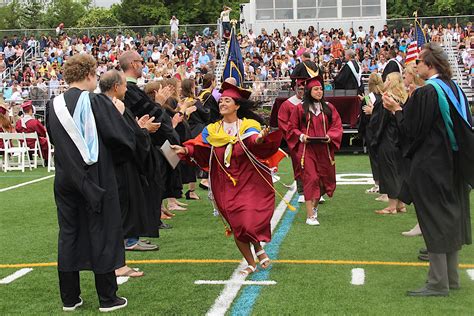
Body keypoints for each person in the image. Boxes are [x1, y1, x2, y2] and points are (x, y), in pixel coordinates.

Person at [383, 43, 473, 297]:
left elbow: (411, 132)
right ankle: (451, 278)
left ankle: (437, 283)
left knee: (434, 220)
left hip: (432, 167)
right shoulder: (455, 89)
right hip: (454, 164)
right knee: (449, 218)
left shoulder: (428, 93)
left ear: (430, 65)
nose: (415, 66)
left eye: (419, 63)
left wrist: (396, 110)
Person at [46, 54, 133, 312]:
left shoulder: (53, 105)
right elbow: (122, 141)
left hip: (65, 178)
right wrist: (120, 117)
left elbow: (54, 140)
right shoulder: (99, 102)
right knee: (103, 232)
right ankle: (108, 299)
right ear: (88, 75)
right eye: (95, 74)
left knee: (69, 234)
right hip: (97, 176)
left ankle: (70, 298)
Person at [171, 82, 283, 276]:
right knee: (237, 224)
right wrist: (185, 149)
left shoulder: (248, 125)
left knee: (248, 220)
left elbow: (253, 140)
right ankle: (251, 261)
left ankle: (258, 247)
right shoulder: (213, 130)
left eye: (227, 100)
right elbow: (199, 146)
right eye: (221, 100)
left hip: (249, 180)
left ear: (237, 106)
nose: (222, 103)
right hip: (224, 183)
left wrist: (259, 139)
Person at [99, 70, 162, 274]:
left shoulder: (109, 106)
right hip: (119, 167)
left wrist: (138, 127)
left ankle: (123, 257)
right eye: (125, 85)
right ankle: (120, 261)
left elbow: (127, 132)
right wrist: (143, 132)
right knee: (120, 212)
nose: (127, 89)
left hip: (117, 167)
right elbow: (124, 139)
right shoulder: (111, 107)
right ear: (116, 87)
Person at [119, 50, 177, 232]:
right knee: (150, 182)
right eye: (141, 62)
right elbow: (153, 116)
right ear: (133, 64)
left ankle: (154, 218)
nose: (143, 65)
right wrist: (159, 103)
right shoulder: (129, 91)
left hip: (148, 142)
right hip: (143, 143)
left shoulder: (133, 90)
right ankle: (150, 221)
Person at [287, 76, 343, 226]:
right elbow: (292, 128)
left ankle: (315, 207)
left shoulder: (328, 108)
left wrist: (330, 136)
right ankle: (310, 215)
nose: (319, 92)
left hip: (324, 149)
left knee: (324, 181)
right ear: (309, 91)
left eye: (320, 89)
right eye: (316, 89)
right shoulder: (300, 108)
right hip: (307, 149)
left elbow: (337, 125)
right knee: (310, 179)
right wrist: (301, 136)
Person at [371, 72, 408, 214]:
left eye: (387, 79)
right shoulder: (403, 99)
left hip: (388, 139)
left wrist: (375, 139)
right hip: (400, 140)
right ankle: (401, 204)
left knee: (389, 171)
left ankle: (392, 206)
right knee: (399, 171)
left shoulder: (386, 99)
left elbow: (380, 122)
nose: (384, 82)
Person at [278, 78, 306, 201]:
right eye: (300, 89)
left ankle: (317, 192)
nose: (302, 91)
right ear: (295, 89)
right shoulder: (288, 104)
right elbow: (284, 124)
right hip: (297, 141)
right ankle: (302, 191)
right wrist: (296, 136)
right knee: (299, 164)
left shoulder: (314, 103)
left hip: (312, 139)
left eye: (304, 89)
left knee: (316, 165)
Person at [358, 73, 384, 195]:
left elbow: (363, 118)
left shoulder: (368, 98)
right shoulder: (384, 96)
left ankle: (378, 184)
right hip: (383, 130)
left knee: (374, 158)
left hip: (371, 131)